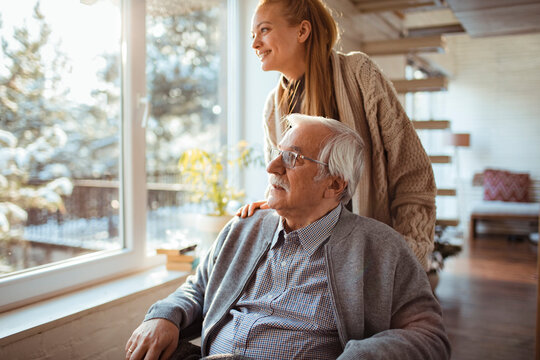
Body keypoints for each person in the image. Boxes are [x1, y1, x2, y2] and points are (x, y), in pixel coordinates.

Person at [125, 114, 450, 360]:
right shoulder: (243, 227)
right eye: (278, 153)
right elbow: (197, 289)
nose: (271, 166)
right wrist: (164, 316)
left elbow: (429, 336)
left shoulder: (380, 247)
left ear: (335, 185)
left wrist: (360, 356)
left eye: (292, 158)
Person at [242, 0, 437, 271]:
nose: (255, 44)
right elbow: (284, 182)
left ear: (302, 31)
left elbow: (413, 174)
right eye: (253, 35)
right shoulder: (272, 108)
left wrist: (405, 256)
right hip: (314, 267)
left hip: (373, 262)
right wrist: (273, 205)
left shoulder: (360, 75)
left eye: (264, 30)